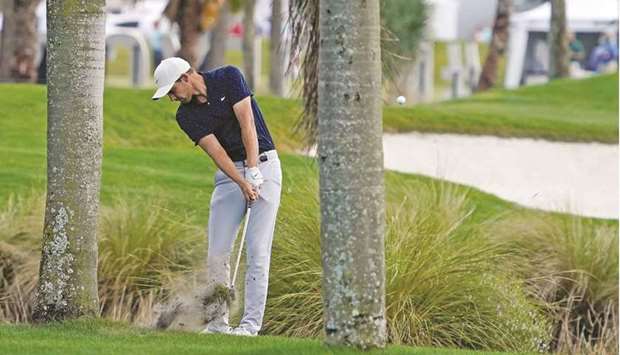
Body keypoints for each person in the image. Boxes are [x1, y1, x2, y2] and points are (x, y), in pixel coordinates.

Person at [151, 57, 282, 337]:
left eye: (172, 91)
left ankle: (249, 327)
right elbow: (217, 153)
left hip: (263, 162)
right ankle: (217, 324)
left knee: (257, 250)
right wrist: (242, 182)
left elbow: (247, 124)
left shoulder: (229, 77)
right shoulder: (185, 116)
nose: (172, 98)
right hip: (229, 175)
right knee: (217, 253)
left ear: (185, 78)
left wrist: (254, 171)